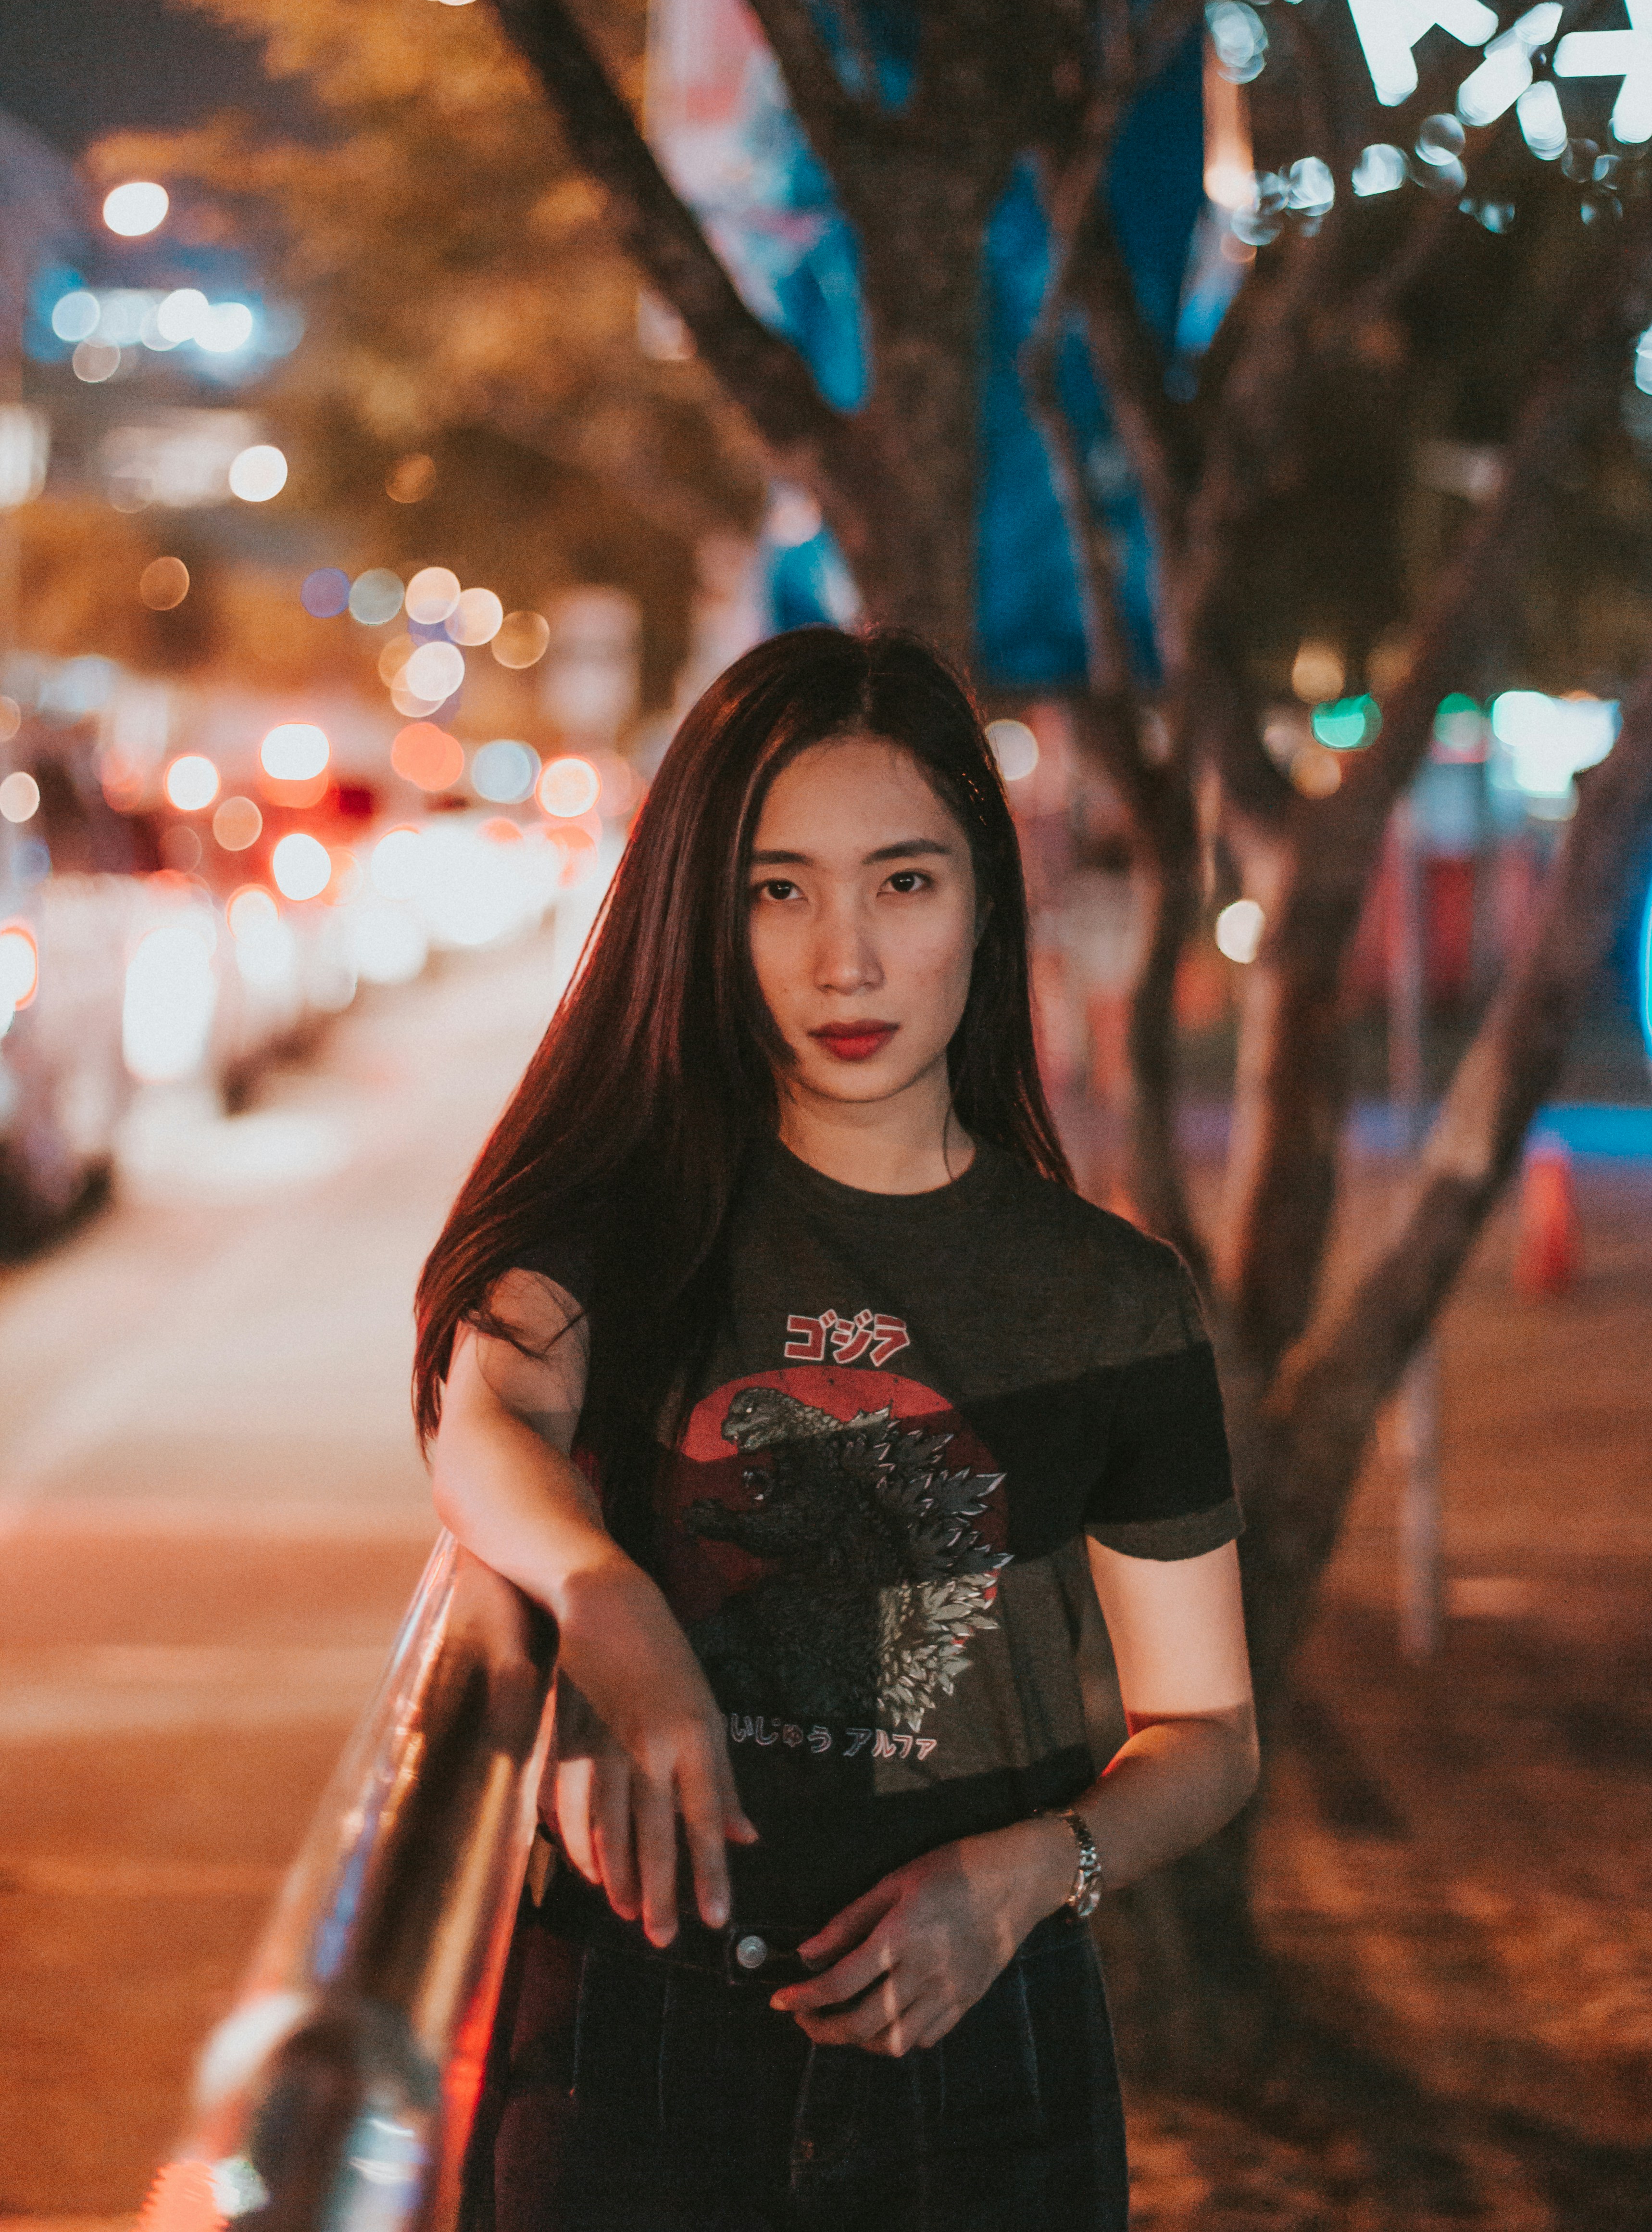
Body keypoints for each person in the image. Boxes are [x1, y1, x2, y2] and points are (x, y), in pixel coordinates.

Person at [414, 626, 1258, 2232]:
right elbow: (493, 1415)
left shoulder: (1111, 1300)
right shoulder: (632, 1224)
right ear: (707, 918)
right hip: (631, 2051)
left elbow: (1209, 1734)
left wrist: (1033, 1872)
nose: (844, 962)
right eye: (777, 890)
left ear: (986, 903)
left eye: (906, 883)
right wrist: (612, 1612)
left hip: (978, 2066)